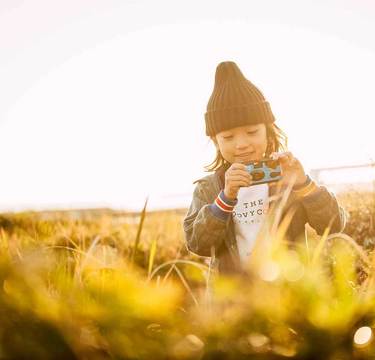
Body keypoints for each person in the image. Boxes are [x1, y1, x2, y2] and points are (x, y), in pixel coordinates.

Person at [183, 61, 348, 275]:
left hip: (288, 292)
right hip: (233, 299)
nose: (241, 143)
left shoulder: (287, 176)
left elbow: (334, 225)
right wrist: (226, 198)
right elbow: (198, 244)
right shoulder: (208, 188)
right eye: (228, 137)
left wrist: (303, 185)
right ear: (216, 141)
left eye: (252, 132)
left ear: (268, 131)